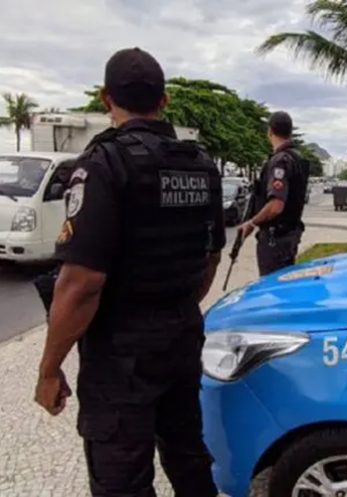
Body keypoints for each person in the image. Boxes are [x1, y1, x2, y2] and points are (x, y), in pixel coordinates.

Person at [33, 48, 223, 497]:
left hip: (121, 351)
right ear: (165, 100)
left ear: (105, 98)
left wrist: (48, 369)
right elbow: (211, 256)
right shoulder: (200, 165)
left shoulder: (103, 165)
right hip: (181, 333)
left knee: (121, 478)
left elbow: (81, 284)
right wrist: (172, 308)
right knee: (187, 456)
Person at [239, 111, 309, 276]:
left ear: (269, 131)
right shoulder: (297, 158)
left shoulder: (280, 161)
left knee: (271, 289)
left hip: (276, 239)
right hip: (289, 235)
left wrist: (251, 223)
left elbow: (276, 206)